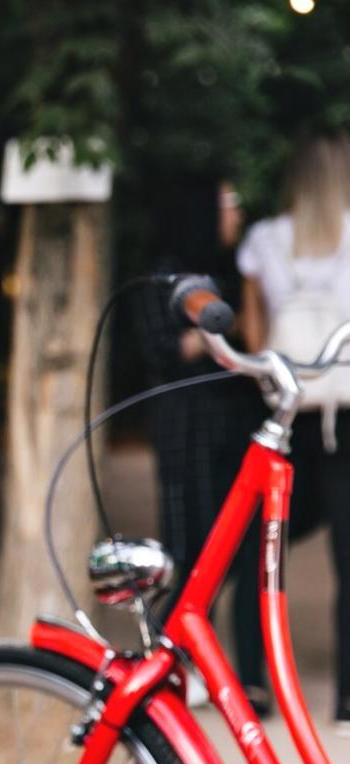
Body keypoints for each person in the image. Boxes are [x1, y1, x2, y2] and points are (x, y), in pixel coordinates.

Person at [137, 175, 273, 714]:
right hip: (185, 429)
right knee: (188, 548)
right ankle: (172, 665)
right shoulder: (165, 277)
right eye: (228, 203)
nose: (236, 214)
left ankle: (229, 674)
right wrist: (215, 331)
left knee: (235, 548)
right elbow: (160, 349)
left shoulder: (229, 271)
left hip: (230, 429)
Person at [236, 132, 350, 732]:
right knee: (348, 560)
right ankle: (348, 699)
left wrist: (272, 379)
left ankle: (252, 685)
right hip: (344, 413)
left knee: (260, 546)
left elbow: (254, 333)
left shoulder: (264, 240)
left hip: (286, 411)